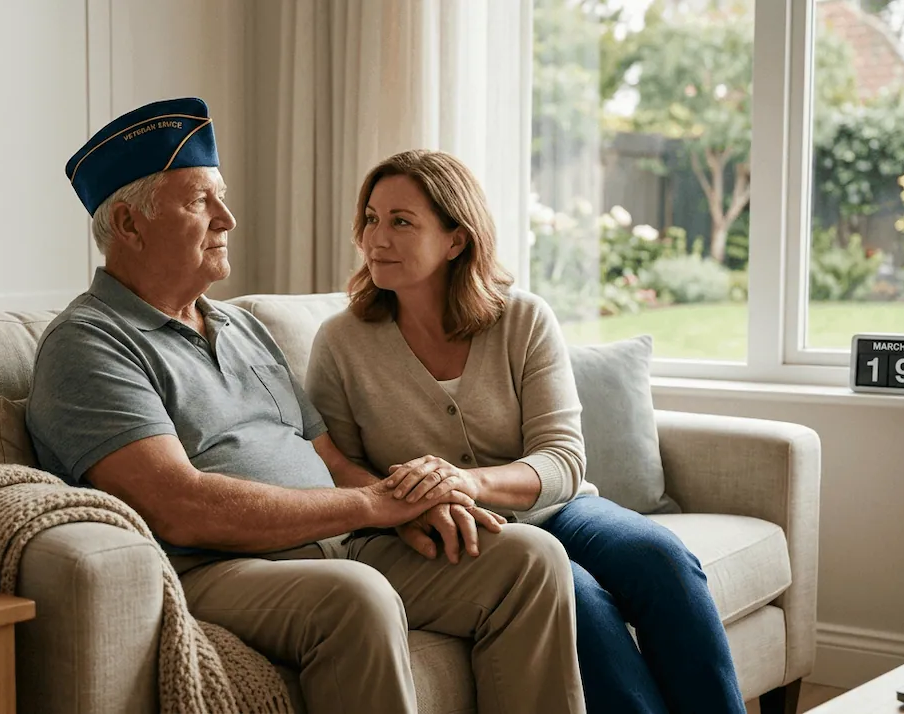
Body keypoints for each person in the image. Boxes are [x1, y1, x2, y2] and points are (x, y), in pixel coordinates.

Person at [26, 98, 586, 714]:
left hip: (340, 540)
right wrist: (372, 505)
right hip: (215, 565)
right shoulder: (90, 343)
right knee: (356, 597)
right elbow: (177, 507)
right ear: (129, 227)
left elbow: (328, 456)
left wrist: (402, 509)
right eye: (198, 202)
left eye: (222, 196)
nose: (228, 219)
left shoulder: (240, 326)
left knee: (529, 559)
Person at [304, 148, 747, 714]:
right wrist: (416, 505)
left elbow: (562, 459)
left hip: (554, 508)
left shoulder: (523, 319)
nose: (375, 239)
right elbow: (337, 468)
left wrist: (463, 481)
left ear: (455, 240)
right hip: (448, 532)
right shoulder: (341, 343)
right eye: (370, 218)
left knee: (660, 556)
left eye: (401, 222)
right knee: (578, 598)